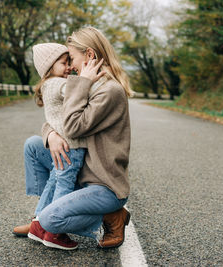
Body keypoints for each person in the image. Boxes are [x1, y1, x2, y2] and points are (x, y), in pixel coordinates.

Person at [13, 27, 132, 250]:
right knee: (34, 145)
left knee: (51, 221)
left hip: (103, 184)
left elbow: (73, 126)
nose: (72, 67)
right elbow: (59, 115)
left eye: (73, 58)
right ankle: (42, 218)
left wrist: (81, 84)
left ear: (89, 55)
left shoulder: (108, 91)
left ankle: (110, 215)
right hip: (83, 172)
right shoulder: (88, 85)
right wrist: (51, 134)